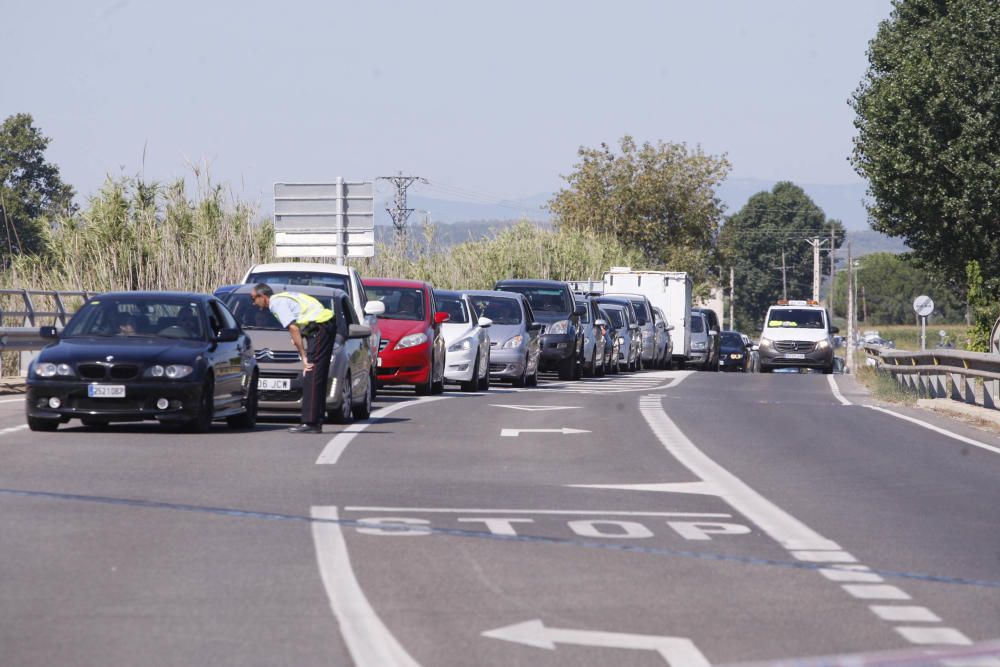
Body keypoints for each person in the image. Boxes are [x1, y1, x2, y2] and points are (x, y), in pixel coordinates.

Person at [251, 283, 335, 434]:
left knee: (311, 373)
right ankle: (317, 419)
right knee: (317, 374)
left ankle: (310, 422)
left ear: (263, 297)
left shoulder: (276, 303)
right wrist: (302, 334)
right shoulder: (282, 298)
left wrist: (303, 357)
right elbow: (300, 319)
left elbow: (293, 328)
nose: (253, 303)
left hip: (319, 326)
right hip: (322, 324)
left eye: (254, 298)